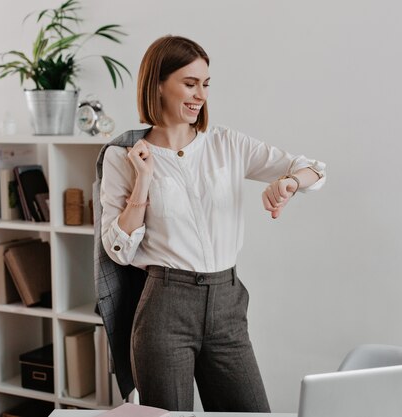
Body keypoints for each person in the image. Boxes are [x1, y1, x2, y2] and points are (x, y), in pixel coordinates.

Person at [93, 35, 326, 412]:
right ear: (157, 85)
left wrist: (290, 182)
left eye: (205, 84)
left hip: (227, 304)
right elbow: (118, 250)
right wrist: (143, 181)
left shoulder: (227, 144)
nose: (200, 94)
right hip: (164, 308)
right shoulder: (125, 156)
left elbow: (314, 168)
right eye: (189, 83)